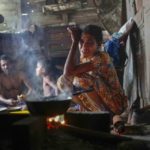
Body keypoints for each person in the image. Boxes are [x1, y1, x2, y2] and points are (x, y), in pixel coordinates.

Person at [57, 24, 128, 121]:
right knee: (62, 81)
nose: (84, 46)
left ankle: (106, 116)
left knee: (81, 79)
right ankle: (89, 112)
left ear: (98, 45)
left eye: (90, 43)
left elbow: (69, 72)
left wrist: (75, 41)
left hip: (116, 105)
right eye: (81, 41)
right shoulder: (84, 58)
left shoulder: (102, 57)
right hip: (100, 103)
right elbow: (67, 76)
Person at [103, 18, 136, 86]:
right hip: (116, 71)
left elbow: (130, 23)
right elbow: (130, 23)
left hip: (116, 71)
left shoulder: (111, 42)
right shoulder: (110, 44)